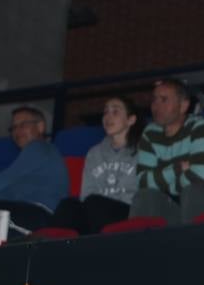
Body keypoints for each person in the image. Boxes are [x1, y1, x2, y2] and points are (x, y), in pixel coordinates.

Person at [0, 106, 70, 242]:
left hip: (38, 216)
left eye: (23, 125)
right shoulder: (32, 158)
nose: (17, 131)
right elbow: (5, 190)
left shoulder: (40, 148)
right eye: (13, 127)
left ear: (41, 127)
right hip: (25, 212)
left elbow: (4, 180)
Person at [129, 78, 204, 223]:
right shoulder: (150, 133)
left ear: (183, 106)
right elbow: (142, 181)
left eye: (164, 100)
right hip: (176, 205)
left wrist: (165, 184)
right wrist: (178, 168)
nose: (156, 106)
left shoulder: (199, 127)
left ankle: (197, 244)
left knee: (192, 192)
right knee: (145, 196)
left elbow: (200, 177)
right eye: (154, 100)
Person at [51, 95, 142, 234]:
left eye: (115, 112)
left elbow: (140, 192)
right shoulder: (94, 152)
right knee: (67, 205)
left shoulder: (143, 150)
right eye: (105, 112)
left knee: (95, 204)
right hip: (96, 209)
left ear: (131, 119)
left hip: (128, 209)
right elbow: (86, 193)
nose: (108, 117)